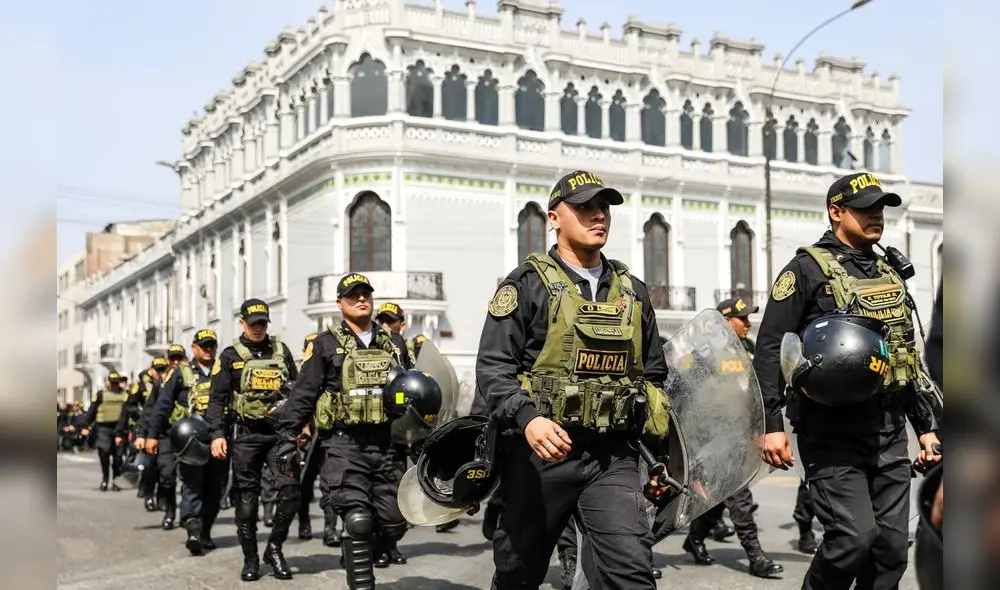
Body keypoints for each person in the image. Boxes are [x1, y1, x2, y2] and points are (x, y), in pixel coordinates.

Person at [477, 170, 672, 589]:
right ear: (554, 218)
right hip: (540, 458)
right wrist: (529, 419)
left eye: (603, 207)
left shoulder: (632, 291)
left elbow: (654, 375)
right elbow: (493, 368)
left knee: (630, 572)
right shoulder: (526, 284)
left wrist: (658, 456)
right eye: (584, 207)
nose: (598, 215)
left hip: (612, 458)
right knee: (518, 574)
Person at [754, 172, 942, 590]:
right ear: (836, 212)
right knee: (853, 540)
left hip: (889, 429)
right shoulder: (805, 269)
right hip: (831, 429)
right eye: (865, 208)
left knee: (891, 548)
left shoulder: (888, 269)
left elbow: (902, 355)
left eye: (881, 207)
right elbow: (770, 348)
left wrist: (926, 427)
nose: (877, 215)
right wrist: (771, 426)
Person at [277, 272, 414, 589]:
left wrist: (420, 436)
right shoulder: (324, 344)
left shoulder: (393, 344)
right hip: (343, 444)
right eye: (353, 295)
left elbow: (410, 391)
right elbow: (303, 394)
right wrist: (287, 438)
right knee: (357, 520)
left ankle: (362, 549)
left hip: (387, 445)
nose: (362, 299)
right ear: (340, 303)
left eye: (366, 293)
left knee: (395, 522)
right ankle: (362, 584)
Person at [681, 297, 784, 577]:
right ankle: (756, 557)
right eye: (742, 318)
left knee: (719, 497)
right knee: (739, 497)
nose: (748, 323)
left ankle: (695, 539)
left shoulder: (748, 350)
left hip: (740, 433)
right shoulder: (701, 354)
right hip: (712, 438)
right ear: (725, 322)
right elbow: (684, 396)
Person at [205, 299, 300, 581]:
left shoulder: (281, 351)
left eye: (262, 323)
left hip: (279, 435)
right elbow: (216, 400)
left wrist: (301, 427)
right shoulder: (230, 355)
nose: (258, 328)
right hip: (246, 435)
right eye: (253, 323)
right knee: (247, 499)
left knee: (292, 491)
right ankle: (251, 559)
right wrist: (216, 435)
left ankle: (275, 547)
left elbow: (297, 392)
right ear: (242, 323)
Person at [146, 329, 226, 555]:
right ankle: (193, 529)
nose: (209, 350)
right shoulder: (181, 373)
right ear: (194, 348)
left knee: (215, 488)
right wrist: (152, 435)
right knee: (192, 485)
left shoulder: (223, 369)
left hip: (218, 438)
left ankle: (206, 531)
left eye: (212, 345)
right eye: (204, 346)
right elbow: (162, 405)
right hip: (190, 439)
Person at [83, 372, 129, 491]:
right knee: (104, 454)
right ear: (108, 382)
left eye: (116, 382)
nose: (114, 385)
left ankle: (116, 481)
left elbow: (128, 412)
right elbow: (92, 410)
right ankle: (105, 479)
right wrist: (85, 426)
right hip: (104, 428)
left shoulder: (125, 395)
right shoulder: (101, 394)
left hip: (120, 428)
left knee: (118, 457)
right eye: (112, 382)